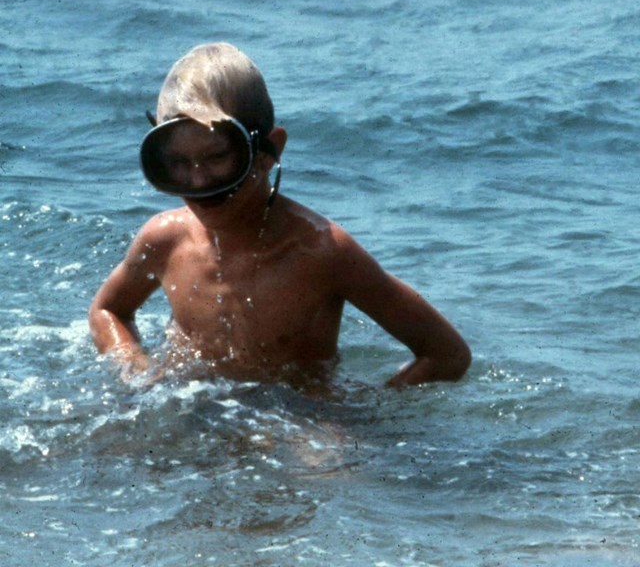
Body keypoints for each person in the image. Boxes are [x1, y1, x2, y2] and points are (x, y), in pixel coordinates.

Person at [88, 42, 471, 388]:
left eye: (219, 158)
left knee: (330, 467)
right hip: (195, 404)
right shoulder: (164, 239)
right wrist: (137, 370)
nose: (199, 181)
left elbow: (447, 354)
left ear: (270, 150)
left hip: (296, 418)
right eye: (177, 164)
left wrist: (364, 419)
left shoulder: (321, 251)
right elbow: (108, 310)